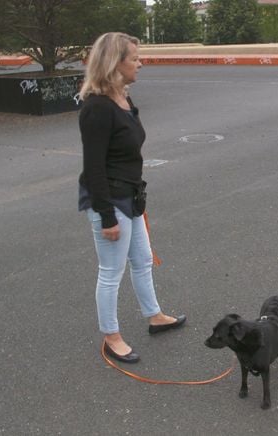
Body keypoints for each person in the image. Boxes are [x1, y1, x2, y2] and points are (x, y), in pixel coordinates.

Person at [78, 32, 187, 364]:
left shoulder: (123, 100)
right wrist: (106, 216)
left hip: (131, 197)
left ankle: (154, 316)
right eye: (135, 58)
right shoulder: (97, 108)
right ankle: (111, 336)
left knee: (142, 260)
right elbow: (93, 167)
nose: (141, 63)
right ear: (115, 62)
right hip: (110, 200)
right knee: (111, 271)